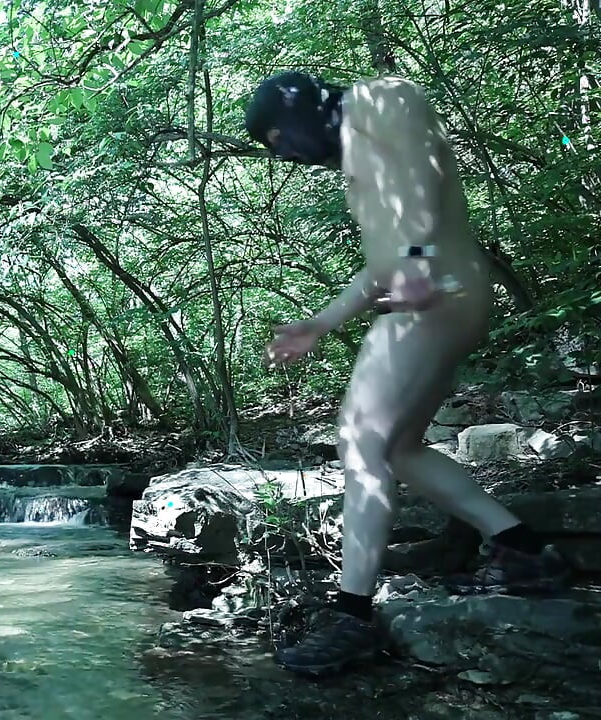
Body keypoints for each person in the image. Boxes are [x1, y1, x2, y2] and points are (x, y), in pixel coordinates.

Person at [243, 71, 571, 677]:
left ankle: (352, 617)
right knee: (398, 448)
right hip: (438, 293)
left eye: (275, 137)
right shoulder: (358, 166)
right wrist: (316, 325)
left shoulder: (377, 98)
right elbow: (377, 269)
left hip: (435, 290)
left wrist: (418, 256)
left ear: (299, 108)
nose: (282, 153)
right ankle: (523, 549)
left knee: (359, 442)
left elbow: (424, 175)